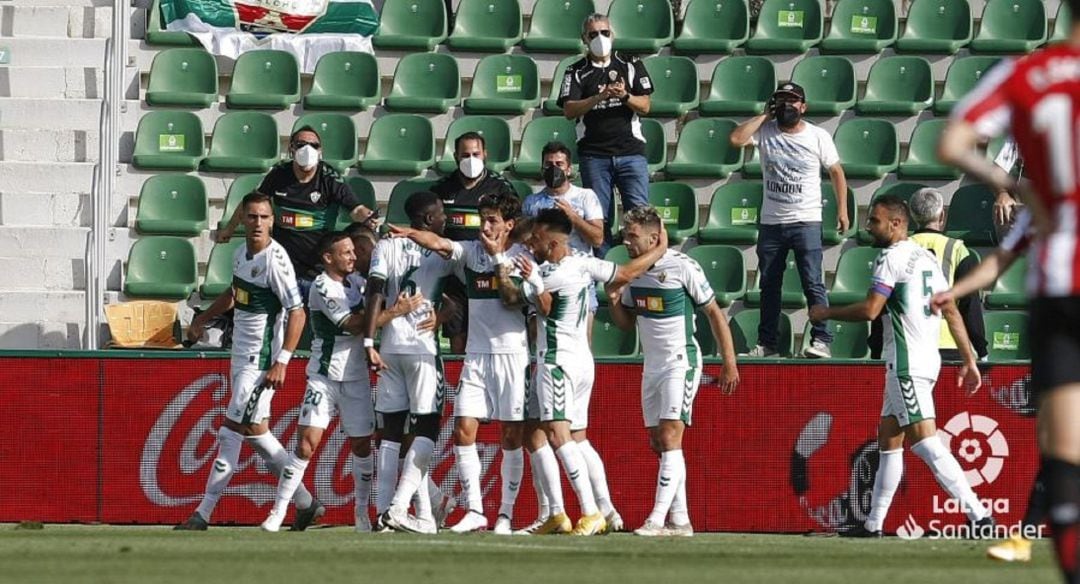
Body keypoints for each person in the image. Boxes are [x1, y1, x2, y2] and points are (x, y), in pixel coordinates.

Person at [937, 11, 1080, 575]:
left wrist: (1010, 182)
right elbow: (995, 262)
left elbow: (952, 142)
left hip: (1058, 286)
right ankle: (1025, 531)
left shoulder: (1025, 71)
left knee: (1062, 450)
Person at [808, 195, 993, 538]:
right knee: (889, 440)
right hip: (926, 360)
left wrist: (825, 313)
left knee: (925, 442)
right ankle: (873, 524)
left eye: (875, 221)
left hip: (906, 364)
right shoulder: (926, 259)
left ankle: (978, 514)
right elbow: (951, 310)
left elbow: (870, 310)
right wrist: (968, 359)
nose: (868, 227)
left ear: (896, 224)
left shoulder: (890, 258)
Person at [386, 191, 544, 535]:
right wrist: (410, 233)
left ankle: (504, 514)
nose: (484, 226)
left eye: (492, 220)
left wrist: (498, 258)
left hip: (512, 356)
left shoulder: (520, 258)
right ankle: (475, 509)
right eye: (481, 219)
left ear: (508, 225)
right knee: (463, 430)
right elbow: (441, 244)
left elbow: (512, 298)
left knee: (511, 435)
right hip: (476, 355)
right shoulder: (470, 253)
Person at [518, 208, 668, 535]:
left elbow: (540, 305)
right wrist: (658, 250)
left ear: (555, 242)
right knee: (578, 439)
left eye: (538, 238)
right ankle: (606, 509)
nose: (532, 243)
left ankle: (589, 512)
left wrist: (525, 279)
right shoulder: (585, 263)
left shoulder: (548, 275)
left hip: (557, 361)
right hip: (584, 359)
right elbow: (626, 274)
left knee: (558, 435)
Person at [175, 192, 319, 531]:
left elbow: (297, 313)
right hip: (239, 354)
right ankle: (306, 502)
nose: (257, 223)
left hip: (259, 361)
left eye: (264, 217)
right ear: (243, 221)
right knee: (257, 432)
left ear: (273, 221)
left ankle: (203, 513)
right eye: (251, 217)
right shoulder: (241, 254)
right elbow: (233, 294)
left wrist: (282, 360)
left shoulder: (276, 260)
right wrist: (202, 320)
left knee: (230, 431)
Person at [605, 207, 740, 537]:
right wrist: (613, 302)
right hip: (651, 365)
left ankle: (656, 518)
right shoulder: (632, 275)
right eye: (624, 233)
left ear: (653, 238)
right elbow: (626, 324)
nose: (626, 240)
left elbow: (714, 313)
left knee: (670, 436)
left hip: (680, 360)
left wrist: (729, 361)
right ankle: (681, 520)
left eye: (632, 235)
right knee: (658, 442)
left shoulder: (681, 266)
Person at [259, 232, 377, 533]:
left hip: (357, 378)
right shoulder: (322, 287)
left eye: (354, 251)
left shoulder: (359, 284)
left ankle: (362, 511)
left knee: (362, 446)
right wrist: (392, 311)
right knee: (306, 445)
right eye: (346, 252)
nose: (353, 257)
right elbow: (352, 324)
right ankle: (278, 511)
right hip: (324, 377)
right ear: (328, 258)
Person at [730, 82, 848, 359]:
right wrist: (764, 115)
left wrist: (842, 210)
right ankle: (767, 343)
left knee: (812, 282)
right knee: (770, 284)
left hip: (806, 220)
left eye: (793, 101)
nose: (787, 106)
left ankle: (822, 339)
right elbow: (736, 139)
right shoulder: (765, 131)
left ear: (803, 106)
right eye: (782, 100)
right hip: (772, 222)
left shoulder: (817, 136)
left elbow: (837, 172)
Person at [364, 191, 456, 534]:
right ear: (428, 220)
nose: (445, 218)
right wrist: (444, 313)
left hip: (389, 346)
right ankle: (402, 510)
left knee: (391, 432)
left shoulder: (385, 246)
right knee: (427, 428)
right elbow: (460, 295)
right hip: (421, 349)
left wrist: (369, 340)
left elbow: (374, 292)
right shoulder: (442, 249)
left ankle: (384, 514)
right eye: (441, 213)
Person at [217, 126, 380, 297]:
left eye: (313, 145)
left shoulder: (330, 178)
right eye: (301, 144)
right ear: (291, 149)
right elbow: (251, 203)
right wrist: (229, 229)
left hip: (317, 269)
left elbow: (356, 209)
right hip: (282, 267)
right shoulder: (279, 174)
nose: (307, 149)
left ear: (320, 150)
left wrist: (368, 217)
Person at [558, 13, 654, 254]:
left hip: (631, 151)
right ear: (584, 38)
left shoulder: (630, 63)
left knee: (640, 217)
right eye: (593, 34)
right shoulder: (576, 70)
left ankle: (642, 271)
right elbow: (569, 110)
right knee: (599, 219)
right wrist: (598, 97)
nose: (600, 38)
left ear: (613, 34)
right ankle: (604, 273)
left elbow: (645, 105)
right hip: (594, 155)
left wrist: (624, 96)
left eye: (605, 32)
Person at [431, 131, 519, 353]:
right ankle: (458, 381)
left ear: (485, 154)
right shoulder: (442, 188)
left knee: (493, 331)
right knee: (457, 331)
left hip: (490, 268)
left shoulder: (501, 187)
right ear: (455, 156)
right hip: (454, 271)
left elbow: (514, 224)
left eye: (475, 154)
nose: (471, 159)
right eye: (465, 155)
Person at [889, 188, 988, 362]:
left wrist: (876, 348)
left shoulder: (897, 249)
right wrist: (981, 349)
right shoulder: (957, 250)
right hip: (950, 343)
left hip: (911, 343)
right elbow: (969, 305)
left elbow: (883, 302)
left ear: (912, 216)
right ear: (942, 216)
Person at [523, 141, 606, 345]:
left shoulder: (585, 196)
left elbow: (598, 238)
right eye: (548, 164)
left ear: (569, 168)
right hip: (544, 279)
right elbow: (525, 243)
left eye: (559, 164)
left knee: (581, 344)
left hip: (580, 280)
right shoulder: (531, 202)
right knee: (539, 340)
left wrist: (573, 217)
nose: (554, 169)